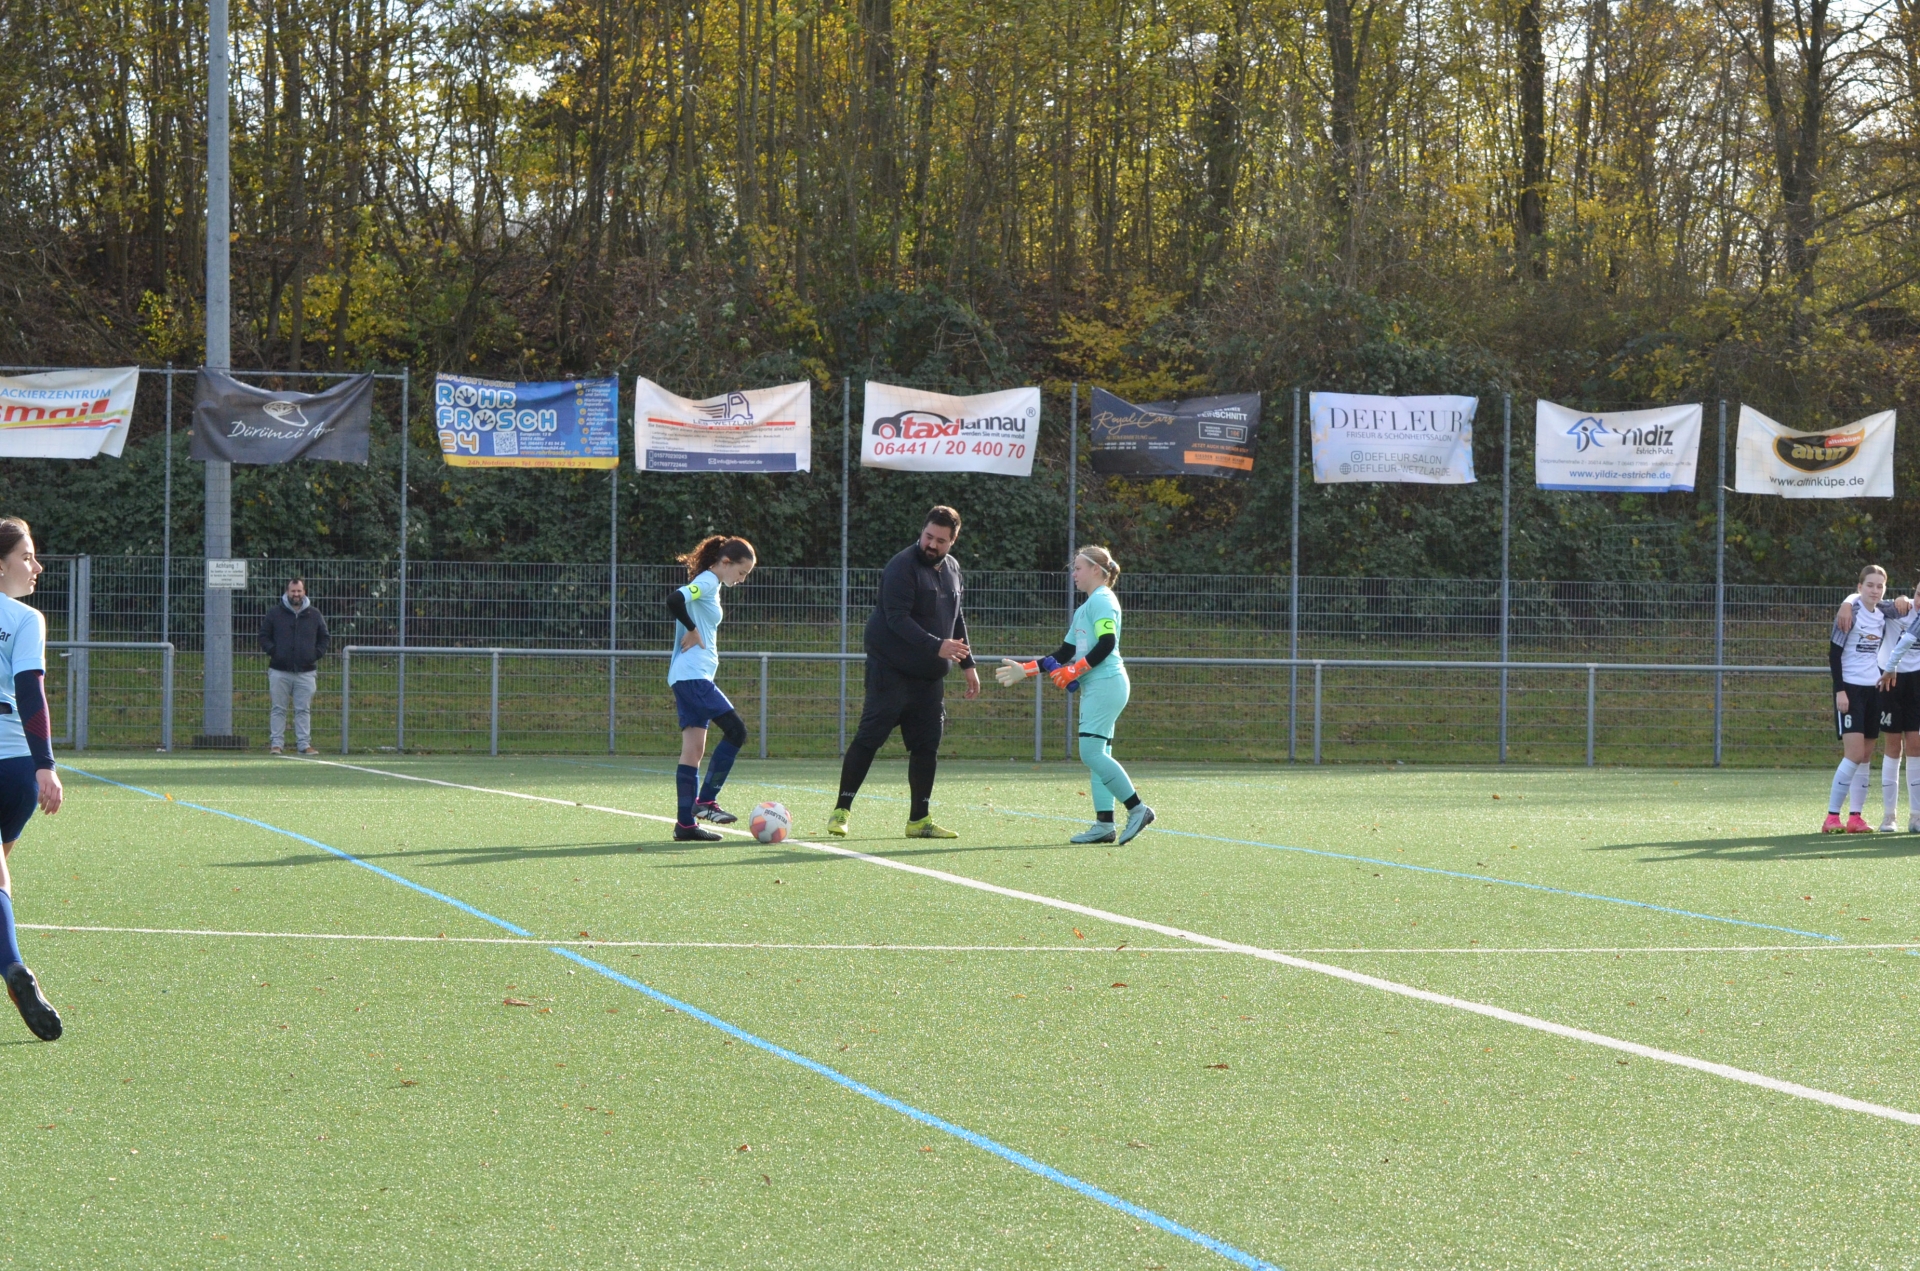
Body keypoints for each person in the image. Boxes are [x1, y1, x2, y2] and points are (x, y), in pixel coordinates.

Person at [828, 506, 979, 839]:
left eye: (941, 540)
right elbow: (897, 619)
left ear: (953, 541)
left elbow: (956, 618)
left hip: (929, 678)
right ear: (922, 531)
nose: (932, 544)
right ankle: (841, 810)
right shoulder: (901, 566)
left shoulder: (953, 569)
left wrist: (967, 664)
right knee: (869, 739)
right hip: (891, 672)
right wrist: (936, 645)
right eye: (928, 536)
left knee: (927, 747)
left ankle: (919, 820)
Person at [996, 546, 1154, 844]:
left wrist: (1074, 670)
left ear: (1096, 570)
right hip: (1098, 686)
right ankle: (1104, 825)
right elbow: (1063, 653)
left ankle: (1138, 809)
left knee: (1090, 753)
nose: (1073, 574)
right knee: (1098, 755)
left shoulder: (1103, 599)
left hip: (1107, 684)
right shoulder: (1085, 608)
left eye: (1078, 568)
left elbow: (1107, 643)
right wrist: (1025, 670)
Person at [0, 517, 64, 1040]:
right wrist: (45, 764)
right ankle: (13, 969)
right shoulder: (24, 619)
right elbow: (30, 692)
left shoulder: (27, 615)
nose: (36, 565)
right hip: (17, 768)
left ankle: (12, 965)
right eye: (26, 556)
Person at [666, 535, 757, 843]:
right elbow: (674, 599)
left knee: (693, 751)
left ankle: (685, 825)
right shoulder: (707, 581)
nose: (742, 579)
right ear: (726, 562)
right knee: (736, 732)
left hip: (689, 676)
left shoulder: (711, 584)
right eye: (741, 572)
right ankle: (706, 800)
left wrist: (694, 628)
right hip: (693, 677)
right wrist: (692, 630)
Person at [1824, 565, 1898, 833]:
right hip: (1850, 690)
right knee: (1853, 754)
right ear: (1859, 587)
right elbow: (1834, 655)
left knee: (1866, 756)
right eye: (1869, 585)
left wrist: (1903, 599)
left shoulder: (1884, 612)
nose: (1874, 590)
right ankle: (1832, 817)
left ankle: (1855, 818)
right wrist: (1839, 691)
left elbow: (1906, 605)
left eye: (1880, 586)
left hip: (1873, 689)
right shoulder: (1850, 613)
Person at [1862, 572, 1920, 831]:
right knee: (1893, 744)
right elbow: (1864, 599)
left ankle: (1916, 816)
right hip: (1890, 681)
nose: (1919, 601)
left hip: (1916, 681)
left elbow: (1907, 641)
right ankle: (1889, 816)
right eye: (1918, 594)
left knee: (1916, 744)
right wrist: (1846, 604)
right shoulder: (1897, 609)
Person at [259, 576, 331, 755]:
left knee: (303, 710)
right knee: (278, 709)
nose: (296, 594)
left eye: (299, 591)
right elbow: (264, 636)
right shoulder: (274, 613)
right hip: (279, 670)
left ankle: (304, 745)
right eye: (293, 591)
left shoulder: (314, 614)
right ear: (287, 592)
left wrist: (315, 654)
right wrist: (274, 652)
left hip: (306, 672)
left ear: (304, 592)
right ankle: (276, 745)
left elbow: (324, 637)